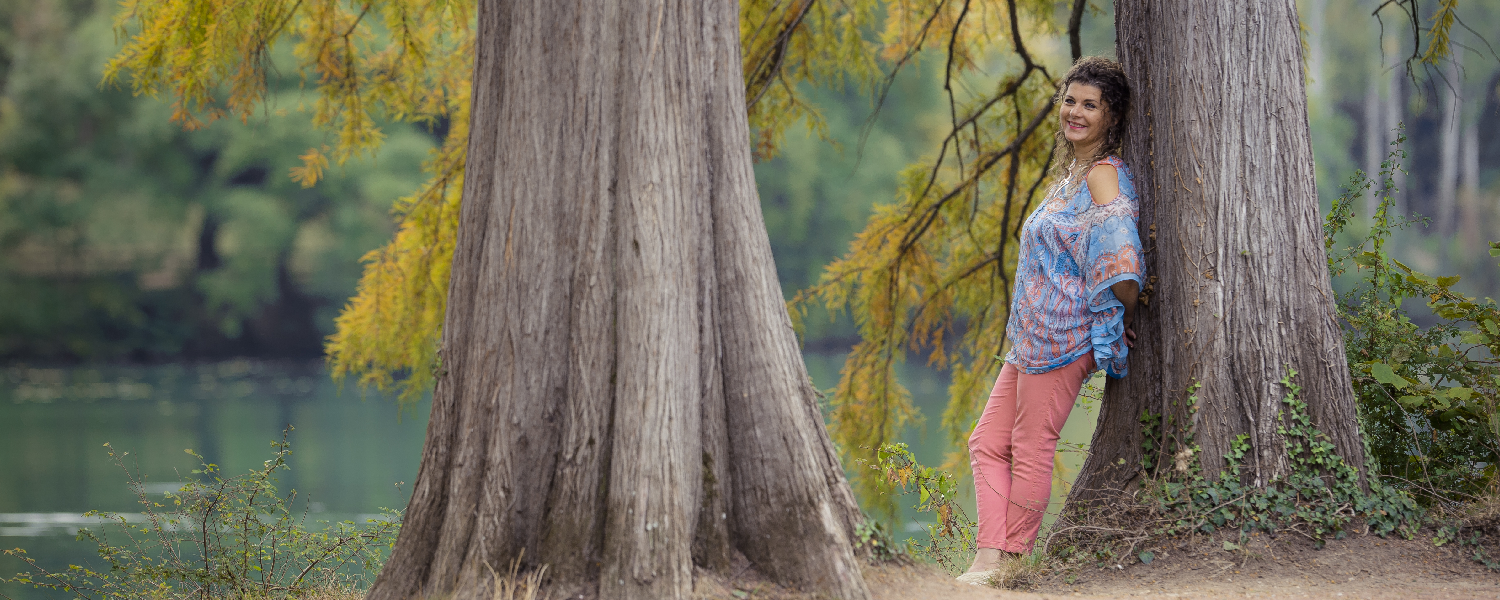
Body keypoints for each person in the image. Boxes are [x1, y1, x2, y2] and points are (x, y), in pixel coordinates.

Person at [958, 56, 1142, 583]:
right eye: (1070, 101)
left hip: (1064, 337)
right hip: (1030, 339)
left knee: (1031, 444)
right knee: (987, 443)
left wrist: (1121, 310)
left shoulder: (1104, 176)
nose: (1075, 113)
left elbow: (1123, 262)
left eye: (1090, 105)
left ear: (1112, 116)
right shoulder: (1071, 175)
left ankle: (1010, 564)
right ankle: (987, 557)